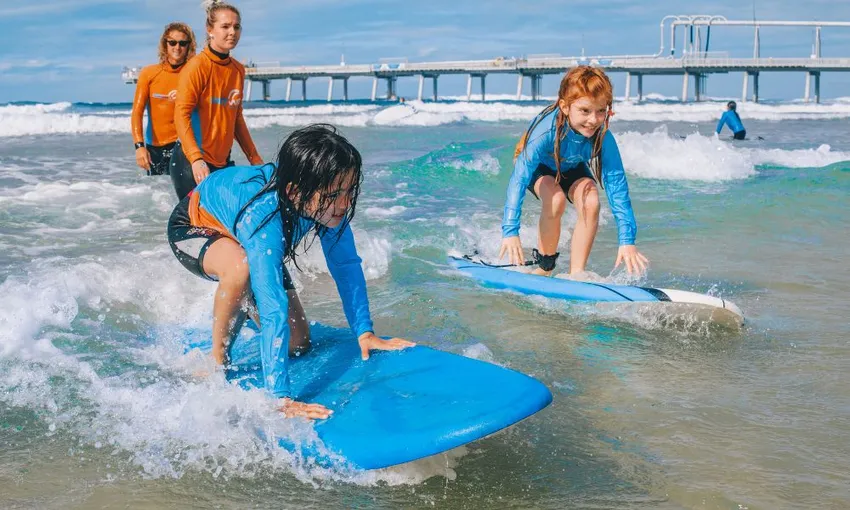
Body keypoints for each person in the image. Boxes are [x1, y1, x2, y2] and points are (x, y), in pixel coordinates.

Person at [167, 124, 414, 419]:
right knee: (242, 268)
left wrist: (364, 332)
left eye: (349, 191)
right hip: (195, 226)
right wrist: (280, 397)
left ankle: (239, 305)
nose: (344, 204)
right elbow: (273, 307)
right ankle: (216, 359)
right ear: (295, 191)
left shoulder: (325, 205)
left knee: (298, 344)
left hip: (246, 234)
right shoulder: (264, 219)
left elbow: (346, 266)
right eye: (335, 194)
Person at [499, 66, 648, 278]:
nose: (593, 120)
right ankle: (545, 267)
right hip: (537, 165)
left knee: (591, 201)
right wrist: (510, 232)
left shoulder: (602, 137)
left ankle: (577, 273)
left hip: (571, 164)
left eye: (601, 111)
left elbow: (617, 187)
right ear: (565, 107)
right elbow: (518, 180)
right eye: (585, 110)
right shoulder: (546, 133)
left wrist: (627, 241)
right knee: (555, 198)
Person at [171, 0, 263, 200]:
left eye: (236, 27)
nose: (232, 32)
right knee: (198, 226)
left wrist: (254, 157)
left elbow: (236, 119)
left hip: (222, 162)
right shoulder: (197, 67)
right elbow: (181, 115)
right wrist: (196, 159)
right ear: (210, 29)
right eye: (225, 26)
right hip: (191, 161)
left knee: (226, 221)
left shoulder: (238, 70)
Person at [130, 22, 196, 176]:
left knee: (186, 195)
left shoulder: (193, 74)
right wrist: (139, 146)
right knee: (158, 194)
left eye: (183, 43)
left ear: (189, 46)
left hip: (185, 146)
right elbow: (137, 113)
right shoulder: (149, 73)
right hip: (156, 148)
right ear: (164, 44)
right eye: (172, 42)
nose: (177, 47)